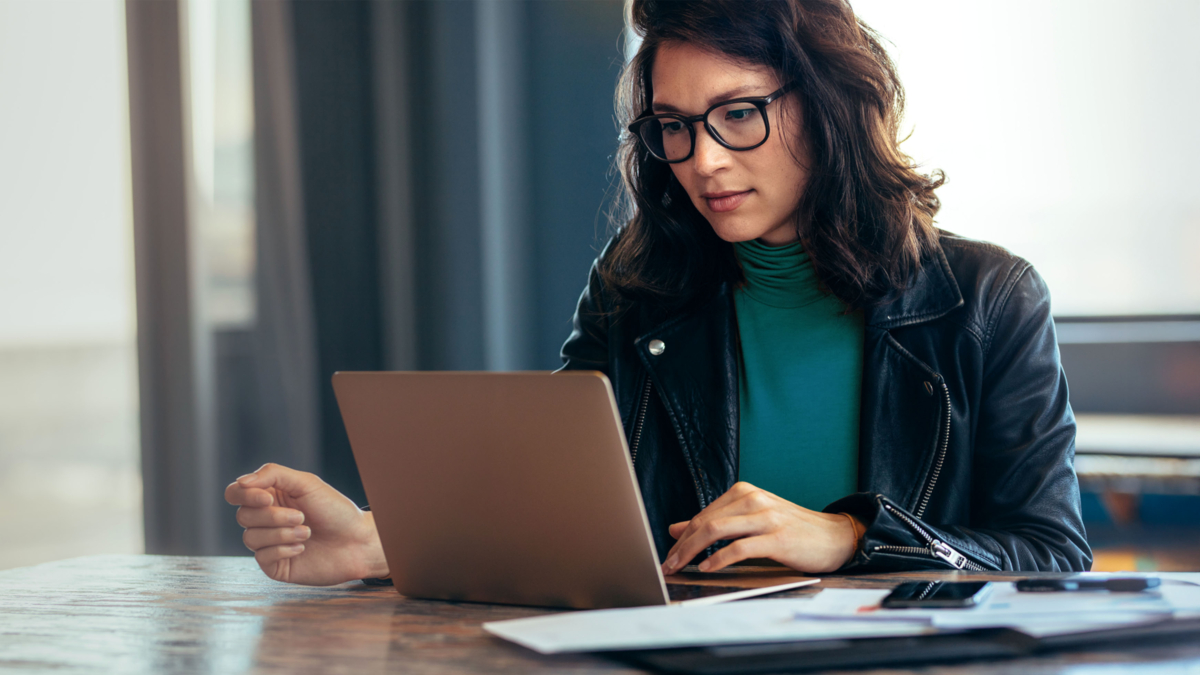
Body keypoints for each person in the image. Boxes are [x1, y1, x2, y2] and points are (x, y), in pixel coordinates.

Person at [225, 0, 1091, 586]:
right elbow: (560, 508)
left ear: (830, 103)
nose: (703, 159)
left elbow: (1052, 556)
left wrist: (853, 539)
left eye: (739, 113)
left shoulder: (987, 299)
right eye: (673, 126)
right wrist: (381, 540)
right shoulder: (638, 285)